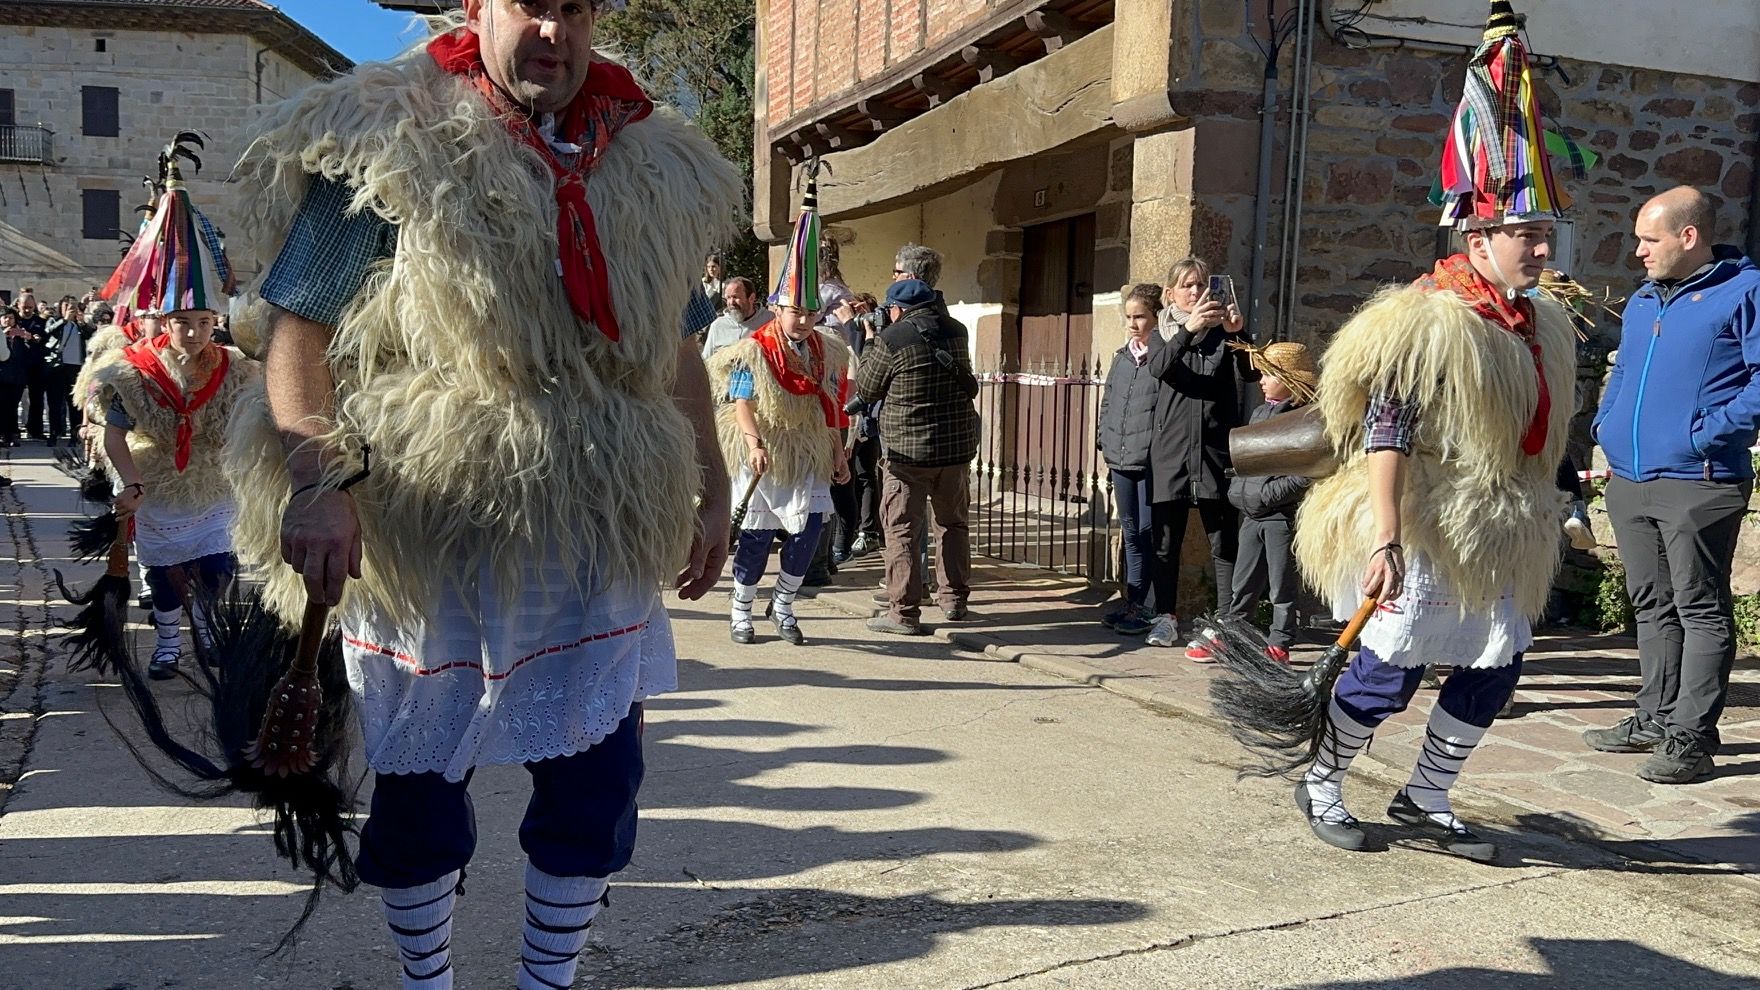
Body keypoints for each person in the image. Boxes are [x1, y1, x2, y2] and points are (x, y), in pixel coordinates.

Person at [209, 2, 739, 987]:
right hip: (426, 514)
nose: (553, 27)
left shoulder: (657, 162)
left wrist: (708, 487)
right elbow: (300, 330)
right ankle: (428, 983)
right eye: (528, 3)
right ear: (478, 10)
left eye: (575, 7)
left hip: (594, 515)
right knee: (415, 785)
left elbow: (676, 346)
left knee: (595, 782)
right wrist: (315, 482)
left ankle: (547, 982)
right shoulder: (389, 133)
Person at [1288, 0, 1577, 861]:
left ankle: (1426, 797)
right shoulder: (1424, 321)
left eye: (1544, 233)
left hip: (1500, 526)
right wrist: (1385, 538)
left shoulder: (1541, 323)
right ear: (1478, 233)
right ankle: (1322, 783)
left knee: (1494, 669)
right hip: (1421, 519)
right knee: (1388, 673)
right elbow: (1387, 430)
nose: (1541, 249)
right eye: (1526, 233)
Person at [1584, 186, 1760, 784]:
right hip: (1632, 479)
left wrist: (1706, 436)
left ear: (1689, 236)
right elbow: (1625, 372)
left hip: (1700, 482)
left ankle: (1693, 737)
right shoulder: (1641, 301)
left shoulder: (1745, 291)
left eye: (1649, 239)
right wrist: (1605, 426)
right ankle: (1655, 717)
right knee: (1652, 605)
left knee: (1700, 608)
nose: (1638, 251)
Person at [83, 140, 256, 680]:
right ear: (164, 320)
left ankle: (207, 633)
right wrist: (127, 480)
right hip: (157, 481)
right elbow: (115, 435)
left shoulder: (233, 367)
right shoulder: (132, 371)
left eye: (205, 322)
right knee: (163, 574)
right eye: (185, 323)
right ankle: (165, 642)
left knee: (217, 566)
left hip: (212, 482)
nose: (196, 332)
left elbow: (250, 423)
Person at [707, 172, 850, 643]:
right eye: (796, 312)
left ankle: (783, 605)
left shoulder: (825, 348)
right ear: (778, 307)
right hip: (765, 446)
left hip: (805, 448)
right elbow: (743, 399)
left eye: (811, 313)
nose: (805, 320)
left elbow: (830, 403)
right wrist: (752, 443)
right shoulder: (756, 348)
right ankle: (741, 609)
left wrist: (839, 451)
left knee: (808, 533)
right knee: (755, 537)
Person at [858, 277, 980, 634]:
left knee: (902, 531)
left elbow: (867, 387)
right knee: (953, 525)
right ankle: (954, 600)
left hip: (907, 455)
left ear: (897, 309)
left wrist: (869, 342)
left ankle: (903, 613)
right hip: (954, 450)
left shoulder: (892, 338)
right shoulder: (956, 331)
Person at [1146, 257, 1250, 655]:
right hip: (1170, 452)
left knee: (1222, 539)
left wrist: (1240, 334)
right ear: (1171, 294)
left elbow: (1253, 374)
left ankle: (1226, 624)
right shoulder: (1164, 334)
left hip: (1214, 449)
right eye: (1187, 285)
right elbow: (1159, 367)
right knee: (1165, 541)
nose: (1195, 291)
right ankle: (1165, 617)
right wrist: (1188, 331)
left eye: (1201, 285)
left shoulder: (1223, 334)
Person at [1222, 341, 1318, 663]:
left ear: (1288, 379)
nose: (1260, 381)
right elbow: (1246, 458)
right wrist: (1239, 491)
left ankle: (1281, 641)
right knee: (1243, 582)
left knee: (1281, 584)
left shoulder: (1304, 418)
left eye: (1267, 375)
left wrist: (1267, 495)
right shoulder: (1259, 413)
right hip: (1252, 515)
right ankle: (1234, 633)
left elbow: (1306, 472)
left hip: (1279, 518)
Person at [1096, 283, 1165, 638]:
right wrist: (1103, 440)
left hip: (1149, 462)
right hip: (1120, 458)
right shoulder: (1122, 357)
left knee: (1149, 533)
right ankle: (1133, 600)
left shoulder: (1162, 357)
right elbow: (1108, 400)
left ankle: (1149, 605)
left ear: (1156, 317)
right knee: (1130, 533)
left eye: (1140, 317)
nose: (1133, 324)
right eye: (1129, 317)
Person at [45, 296, 92, 445]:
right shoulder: (54, 320)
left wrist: (81, 321)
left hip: (75, 367)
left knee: (74, 404)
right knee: (55, 403)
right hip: (57, 366)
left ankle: (74, 435)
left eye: (73, 306)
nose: (70, 309)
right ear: (61, 307)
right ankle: (54, 433)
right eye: (67, 306)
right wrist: (64, 320)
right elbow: (49, 331)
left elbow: (89, 334)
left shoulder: (78, 324)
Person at [700, 275, 773, 359]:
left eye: (735, 297)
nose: (731, 302)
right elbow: (706, 359)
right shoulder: (718, 326)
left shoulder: (769, 321)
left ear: (751, 298)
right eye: (728, 298)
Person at [0, 309, 31, 447]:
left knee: (12, 406)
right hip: (2, 376)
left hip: (17, 377)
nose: (7, 320)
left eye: (10, 318)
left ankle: (12, 434)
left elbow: (28, 355)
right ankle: (4, 434)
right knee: (3, 406)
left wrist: (27, 338)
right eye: (5, 317)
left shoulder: (20, 335)